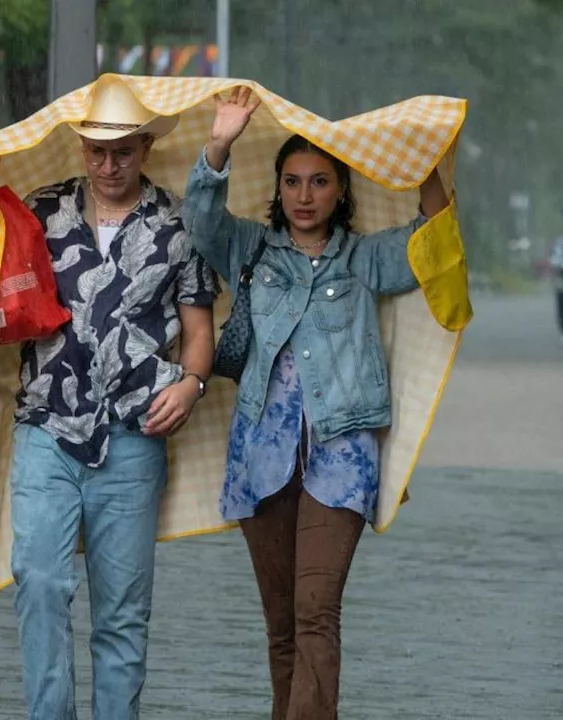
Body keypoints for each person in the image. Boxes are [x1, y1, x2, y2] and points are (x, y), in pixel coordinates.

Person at [182, 86, 450, 719]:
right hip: (261, 458)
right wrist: (220, 142)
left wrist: (431, 157)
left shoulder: (363, 261)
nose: (305, 196)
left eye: (320, 182)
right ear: (278, 189)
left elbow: (432, 241)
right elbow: (200, 221)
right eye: (293, 182)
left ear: (340, 192)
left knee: (315, 615)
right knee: (281, 628)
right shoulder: (251, 249)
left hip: (341, 458)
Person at [10, 77, 220, 718]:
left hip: (134, 436)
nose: (109, 165)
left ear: (145, 150)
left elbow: (199, 329)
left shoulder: (178, 223)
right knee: (40, 581)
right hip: (46, 426)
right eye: (97, 152)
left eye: (123, 151)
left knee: (122, 614)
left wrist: (191, 384)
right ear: (79, 147)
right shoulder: (39, 212)